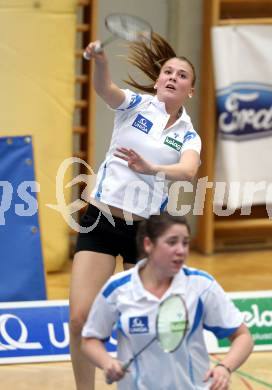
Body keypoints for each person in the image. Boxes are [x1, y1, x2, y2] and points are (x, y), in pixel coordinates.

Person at [69, 33, 202, 389]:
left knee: (142, 324)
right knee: (80, 318)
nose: (173, 77)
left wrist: (151, 168)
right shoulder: (135, 105)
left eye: (182, 75)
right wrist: (100, 62)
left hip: (144, 234)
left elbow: (188, 170)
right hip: (100, 220)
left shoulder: (189, 135)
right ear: (158, 82)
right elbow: (105, 90)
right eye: (168, 72)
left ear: (190, 90)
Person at [81, 212, 254, 389]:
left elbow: (243, 336)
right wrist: (107, 362)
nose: (181, 250)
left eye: (185, 243)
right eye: (172, 242)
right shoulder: (118, 289)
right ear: (148, 244)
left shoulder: (201, 285)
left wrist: (225, 368)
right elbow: (90, 340)